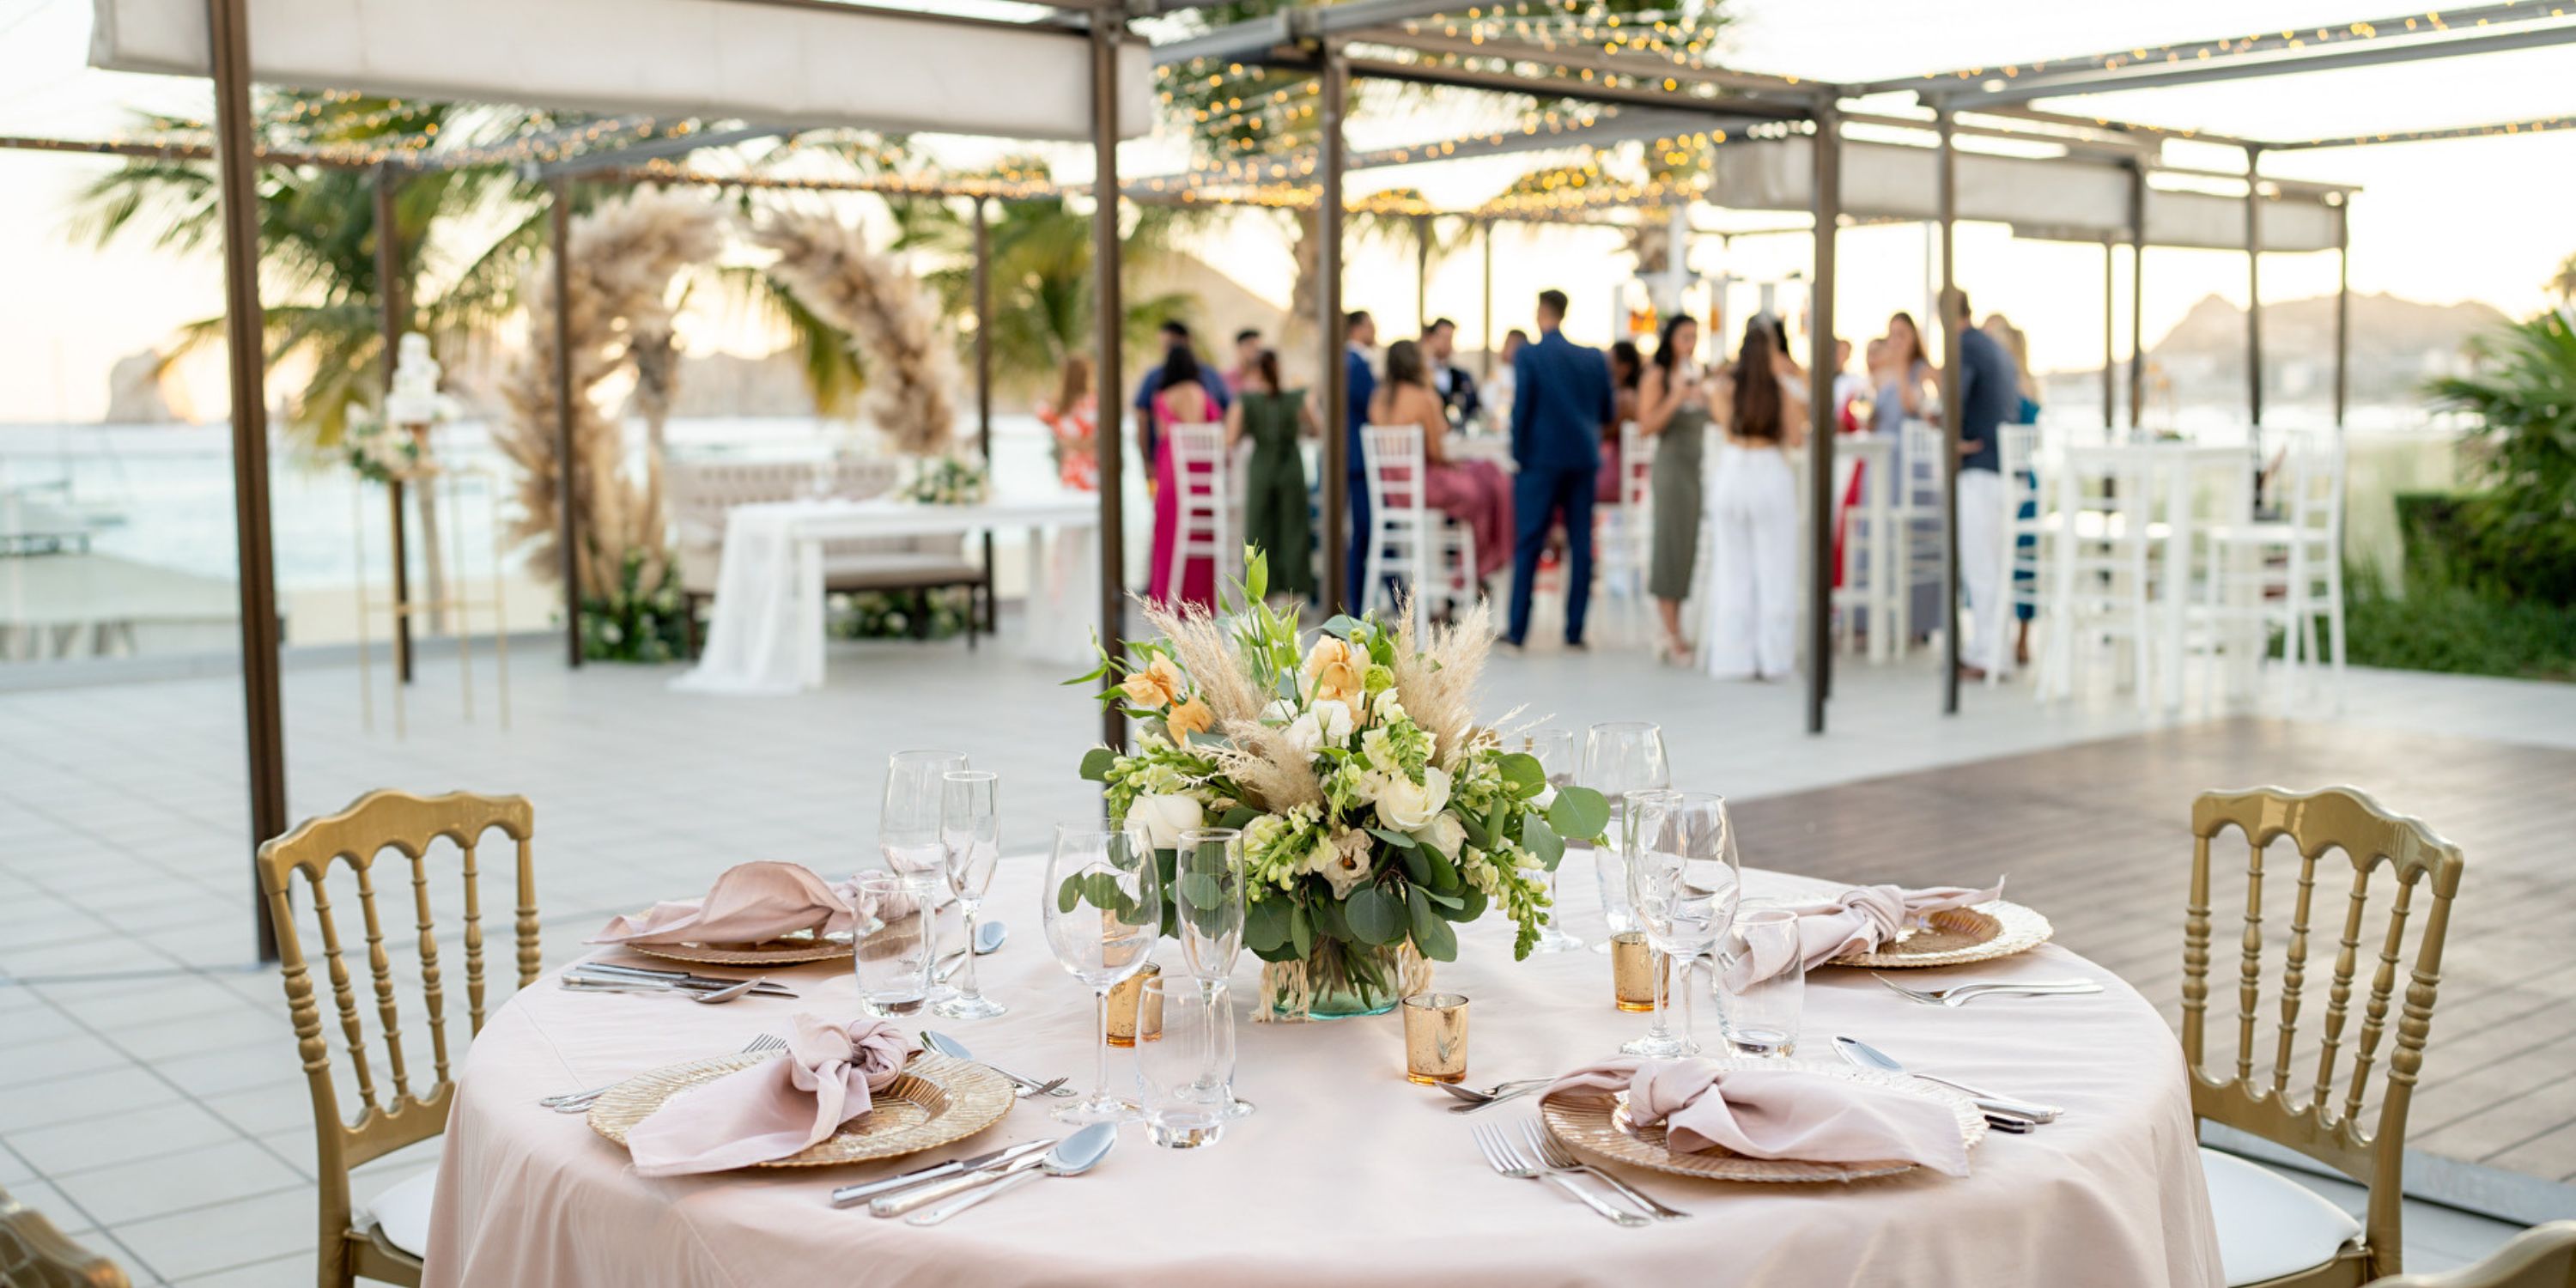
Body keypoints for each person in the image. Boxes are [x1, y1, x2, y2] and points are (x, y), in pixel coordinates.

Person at [1505, 289, 1613, 649]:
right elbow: (1607, 412)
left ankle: (1518, 630)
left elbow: (1522, 409)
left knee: (1529, 543)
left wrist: (1520, 454)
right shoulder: (1592, 358)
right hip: (1582, 459)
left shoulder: (1530, 356)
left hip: (1540, 461)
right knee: (1581, 544)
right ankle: (1575, 631)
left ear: (1541, 313)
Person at [1704, 315, 1808, 680]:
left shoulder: (1726, 386)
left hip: (1733, 472)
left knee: (1733, 570)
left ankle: (1734, 658)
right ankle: (1775, 659)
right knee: (1775, 569)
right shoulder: (1780, 388)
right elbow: (1797, 438)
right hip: (1767, 471)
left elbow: (1723, 423)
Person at [1368, 339, 1514, 585]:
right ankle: (1473, 570)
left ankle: (1468, 573)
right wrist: (1454, 463)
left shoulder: (1379, 399)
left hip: (1394, 490)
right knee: (1487, 485)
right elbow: (1436, 452)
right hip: (1422, 486)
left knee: (1484, 474)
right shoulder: (1424, 397)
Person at [1949, 290, 2020, 681]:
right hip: (2002, 472)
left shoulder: (1966, 348)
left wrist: (1952, 439)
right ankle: (1992, 652)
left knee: (1982, 570)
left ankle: (1989, 656)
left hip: (1980, 471)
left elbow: (1955, 400)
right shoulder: (1990, 346)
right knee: (1991, 568)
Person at [1637, 313, 1709, 662]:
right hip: (1670, 472)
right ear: (1670, 339)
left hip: (1695, 472)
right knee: (1668, 546)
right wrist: (1676, 398)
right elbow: (1646, 425)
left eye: (1694, 336)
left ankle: (1675, 625)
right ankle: (1671, 631)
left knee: (1686, 547)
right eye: (1684, 336)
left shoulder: (1699, 373)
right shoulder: (1658, 376)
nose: (1690, 343)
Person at [1225, 348, 1318, 599]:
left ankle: (1260, 590)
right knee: (1294, 527)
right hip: (1291, 465)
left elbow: (1230, 438)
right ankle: (1294, 591)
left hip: (1262, 465)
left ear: (1256, 371)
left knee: (1259, 526)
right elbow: (1316, 428)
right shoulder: (1299, 397)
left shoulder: (1245, 400)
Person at [1980, 310, 2044, 667]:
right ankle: (2007, 638)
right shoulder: (2016, 386)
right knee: (2009, 561)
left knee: (2018, 562)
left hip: (2016, 482)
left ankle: (2015, 638)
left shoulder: (2018, 388)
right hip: (2012, 480)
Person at [1146, 345, 1222, 611]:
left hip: (1174, 472)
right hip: (1205, 472)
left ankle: (1169, 601)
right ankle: (1203, 601)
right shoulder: (1202, 393)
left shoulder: (1163, 397)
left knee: (1170, 531)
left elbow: (1163, 432)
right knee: (1205, 530)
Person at [1133, 319, 1230, 475]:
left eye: (1170, 345)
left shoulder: (1209, 376)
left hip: (1178, 462)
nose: (1165, 350)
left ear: (1186, 341)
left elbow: (1227, 412)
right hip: (1196, 463)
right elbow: (1142, 417)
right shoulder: (1155, 377)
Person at [1341, 309, 1381, 606]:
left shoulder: (1347, 362)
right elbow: (1371, 407)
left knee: (1367, 530)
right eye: (1370, 326)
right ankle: (1356, 601)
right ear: (1356, 329)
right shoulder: (1355, 364)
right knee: (1366, 530)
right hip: (1359, 458)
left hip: (1355, 456)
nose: (1375, 330)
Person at [1035, 355, 1098, 491]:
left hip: (1071, 467)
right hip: (1092, 466)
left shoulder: (1058, 406)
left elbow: (1040, 413)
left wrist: (1066, 440)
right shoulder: (1094, 402)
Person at [1599, 340, 1643, 505]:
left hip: (1619, 477)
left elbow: (1602, 434)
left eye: (1610, 361)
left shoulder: (1624, 399)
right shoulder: (1632, 395)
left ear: (1625, 367)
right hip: (1628, 475)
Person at [1420, 319, 1483, 429]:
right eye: (1443, 338)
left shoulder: (1463, 376)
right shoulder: (1419, 375)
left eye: (1450, 338)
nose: (1447, 343)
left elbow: (1474, 407)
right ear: (1430, 338)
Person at [1481, 328, 1528, 423]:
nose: (1505, 348)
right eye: (1506, 344)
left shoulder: (1527, 373)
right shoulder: (1498, 372)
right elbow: (1486, 398)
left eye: (1510, 344)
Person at [1226, 328, 1263, 395]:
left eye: (1257, 346)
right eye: (1250, 345)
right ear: (1239, 349)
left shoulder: (1264, 377)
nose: (1255, 350)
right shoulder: (1227, 378)